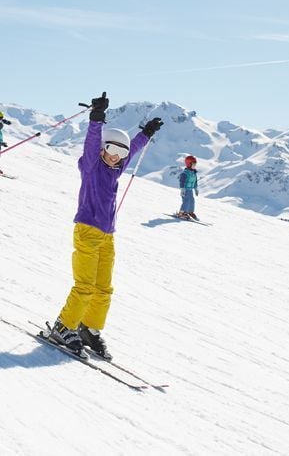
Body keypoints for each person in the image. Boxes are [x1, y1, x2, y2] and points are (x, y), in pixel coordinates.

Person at [47, 91, 163, 360]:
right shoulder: (91, 166)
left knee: (103, 288)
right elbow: (91, 143)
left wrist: (146, 133)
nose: (116, 156)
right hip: (87, 231)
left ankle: (89, 328)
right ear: (102, 149)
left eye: (120, 153)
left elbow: (133, 149)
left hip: (108, 236)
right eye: (111, 150)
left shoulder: (116, 168)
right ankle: (64, 326)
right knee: (85, 285)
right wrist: (96, 118)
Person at [176, 155, 200, 221]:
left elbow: (195, 181)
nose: (195, 165)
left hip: (190, 189)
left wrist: (196, 189)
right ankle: (182, 212)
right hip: (185, 189)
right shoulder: (185, 173)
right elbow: (182, 181)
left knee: (192, 200)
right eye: (193, 164)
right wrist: (182, 189)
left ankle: (190, 211)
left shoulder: (194, 173)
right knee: (186, 201)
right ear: (189, 164)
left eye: (195, 164)